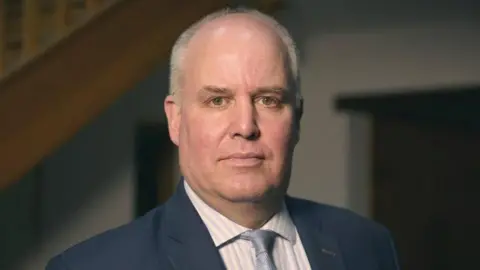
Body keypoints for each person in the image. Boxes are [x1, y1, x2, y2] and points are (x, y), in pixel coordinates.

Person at [46, 7, 400, 270]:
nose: (245, 126)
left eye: (268, 100)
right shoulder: (92, 266)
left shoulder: (366, 245)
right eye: (218, 100)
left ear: (297, 119)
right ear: (175, 119)